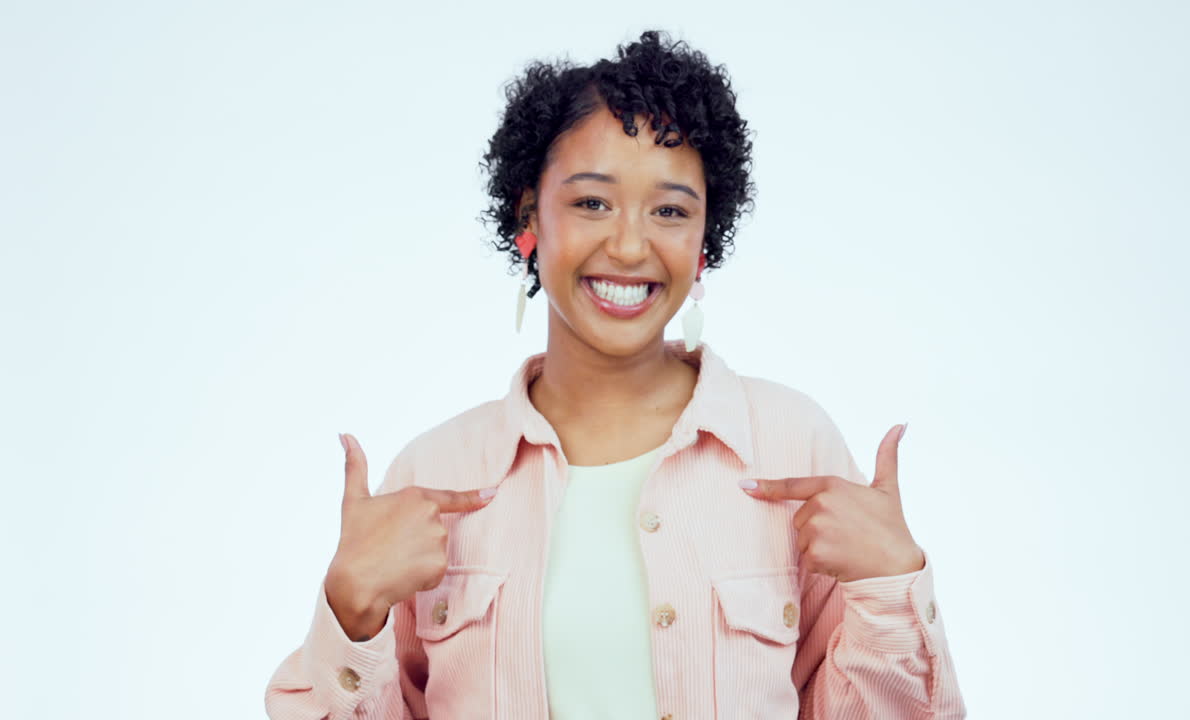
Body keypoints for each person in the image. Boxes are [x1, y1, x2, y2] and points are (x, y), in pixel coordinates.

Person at [265, 29, 966, 720]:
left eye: (669, 211)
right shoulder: (435, 472)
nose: (630, 244)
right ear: (527, 215)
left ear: (704, 243)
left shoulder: (790, 446)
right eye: (592, 202)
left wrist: (891, 586)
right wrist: (351, 613)